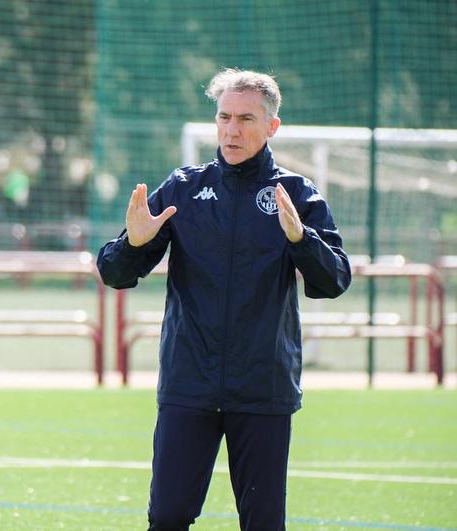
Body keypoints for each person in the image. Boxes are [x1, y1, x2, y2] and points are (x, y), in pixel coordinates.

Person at [97, 69, 351, 530]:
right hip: (188, 384)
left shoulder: (296, 194)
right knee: (169, 516)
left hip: (262, 388)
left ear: (272, 126)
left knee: (262, 522)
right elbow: (115, 273)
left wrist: (301, 238)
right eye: (224, 117)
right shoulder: (184, 188)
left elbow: (334, 279)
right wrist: (132, 245)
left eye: (246, 119)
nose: (232, 130)